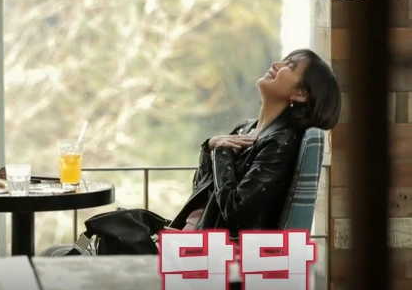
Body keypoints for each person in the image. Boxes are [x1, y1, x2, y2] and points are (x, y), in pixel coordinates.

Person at [41, 48, 341, 256]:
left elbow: (236, 211)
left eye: (290, 66)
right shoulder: (244, 130)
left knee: (80, 253)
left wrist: (221, 154)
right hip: (187, 237)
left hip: (209, 254)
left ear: (300, 94)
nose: (277, 64)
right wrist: (209, 148)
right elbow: (201, 191)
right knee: (100, 232)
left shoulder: (281, 143)